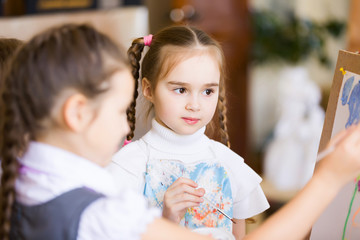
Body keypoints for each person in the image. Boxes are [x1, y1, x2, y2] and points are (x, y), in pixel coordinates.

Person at [1, 22, 360, 240]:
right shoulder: (100, 211)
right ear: (77, 113)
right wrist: (329, 180)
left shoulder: (26, 171)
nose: (126, 123)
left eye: (208, 89)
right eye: (116, 109)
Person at [0, 23, 214, 240]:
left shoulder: (20, 179)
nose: (126, 127)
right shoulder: (103, 216)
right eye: (120, 111)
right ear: (78, 113)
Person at [107, 25, 269, 239]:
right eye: (181, 90)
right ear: (148, 89)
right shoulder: (128, 167)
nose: (195, 104)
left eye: (208, 91)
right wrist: (167, 220)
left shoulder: (229, 165)